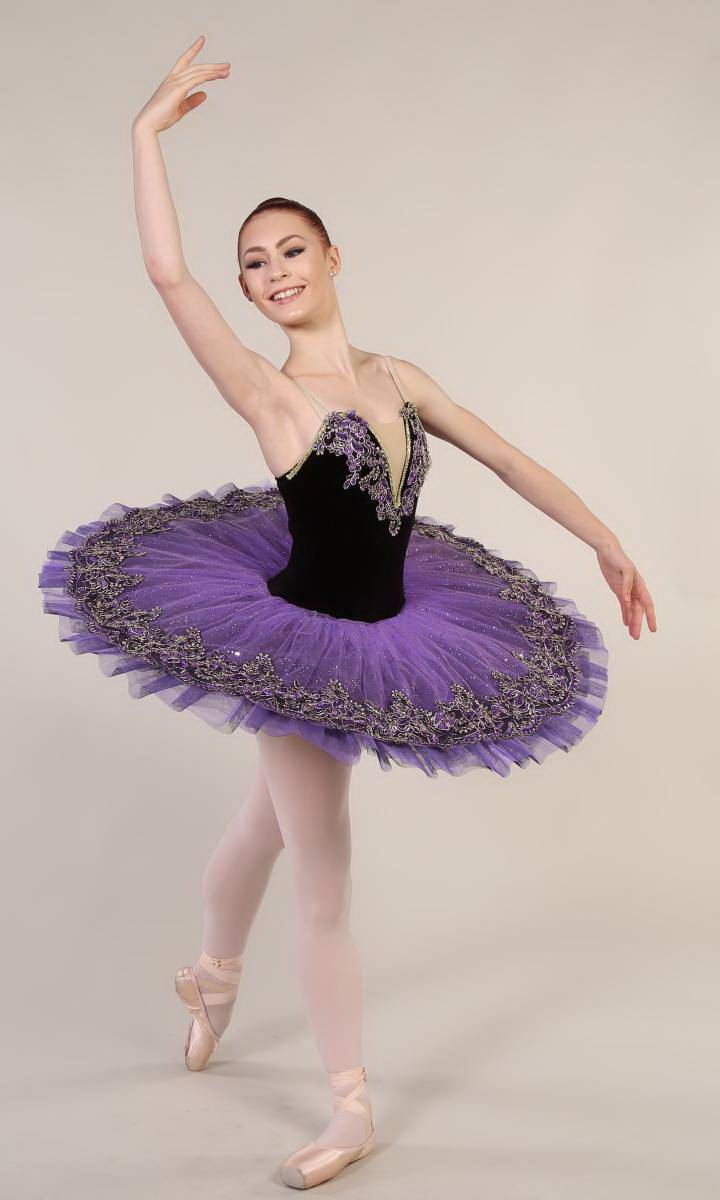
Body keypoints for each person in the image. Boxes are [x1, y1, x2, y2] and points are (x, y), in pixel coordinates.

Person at [37, 35, 657, 1191]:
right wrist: (142, 134)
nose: (272, 272)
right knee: (325, 875)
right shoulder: (270, 395)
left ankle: (211, 978)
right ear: (246, 292)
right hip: (301, 648)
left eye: (290, 250)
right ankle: (351, 1106)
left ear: (332, 257)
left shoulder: (399, 378)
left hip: (400, 625)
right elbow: (168, 276)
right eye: (252, 264)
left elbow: (508, 459)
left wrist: (606, 541)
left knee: (266, 825)